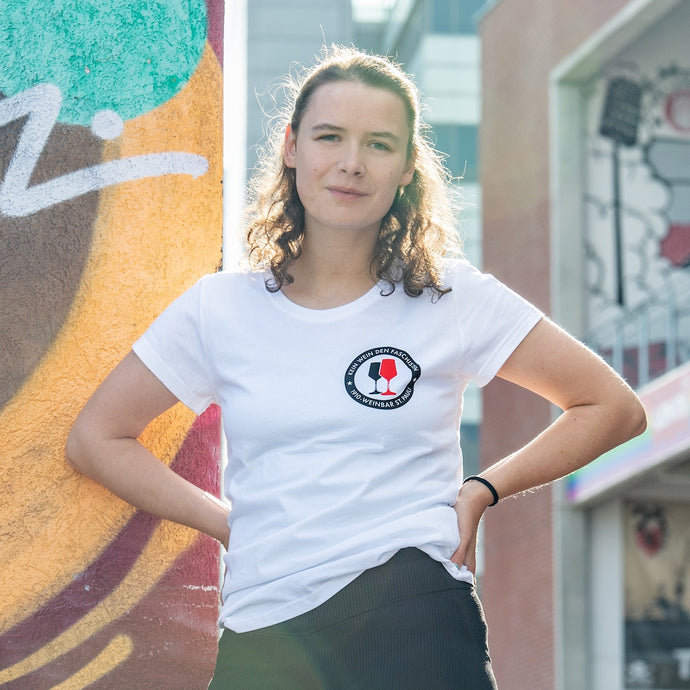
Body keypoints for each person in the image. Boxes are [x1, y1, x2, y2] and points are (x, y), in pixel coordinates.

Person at [65, 46, 647, 689]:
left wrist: (482, 491)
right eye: (329, 136)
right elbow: (98, 439)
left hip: (410, 612)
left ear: (405, 168)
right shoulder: (219, 309)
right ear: (291, 147)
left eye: (378, 144)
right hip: (264, 632)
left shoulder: (448, 296)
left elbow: (611, 407)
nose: (350, 163)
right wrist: (228, 522)